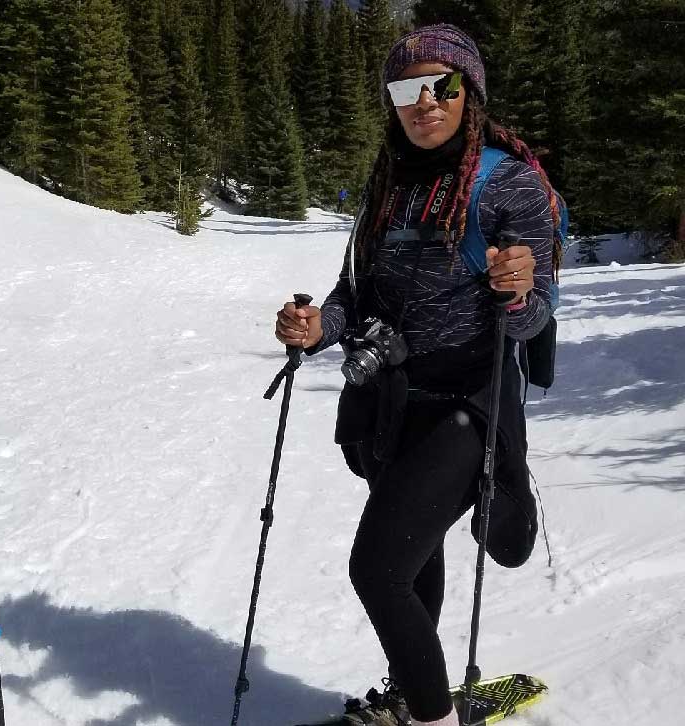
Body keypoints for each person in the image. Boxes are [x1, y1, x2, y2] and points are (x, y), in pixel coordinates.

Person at [274, 25, 561, 726]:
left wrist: (520, 292)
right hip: (389, 404)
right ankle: (412, 692)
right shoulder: (387, 184)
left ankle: (429, 719)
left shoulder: (509, 185)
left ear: (471, 92)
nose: (424, 101)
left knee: (376, 569)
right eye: (406, 88)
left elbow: (536, 321)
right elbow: (353, 293)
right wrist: (319, 329)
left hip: (466, 406)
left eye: (443, 85)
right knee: (411, 558)